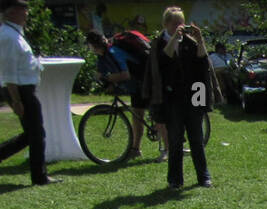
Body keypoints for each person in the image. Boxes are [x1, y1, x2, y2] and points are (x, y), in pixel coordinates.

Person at [146, 7, 217, 191]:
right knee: (175, 139)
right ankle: (175, 180)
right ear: (166, 24)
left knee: (197, 138)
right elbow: (163, 60)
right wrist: (173, 40)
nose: (179, 26)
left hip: (195, 92)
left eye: (181, 22)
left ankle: (204, 177)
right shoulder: (159, 43)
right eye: (175, 23)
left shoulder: (190, 42)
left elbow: (203, 62)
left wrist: (200, 40)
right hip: (171, 97)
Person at [0, 0, 56, 184]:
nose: (27, 14)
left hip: (25, 88)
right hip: (20, 90)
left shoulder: (15, 33)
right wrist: (16, 101)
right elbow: (9, 72)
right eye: (23, 10)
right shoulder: (8, 36)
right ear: (12, 12)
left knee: (31, 134)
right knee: (37, 134)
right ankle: (39, 176)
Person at [85, 29, 146, 159]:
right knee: (137, 116)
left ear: (93, 45)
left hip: (144, 80)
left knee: (154, 116)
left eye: (90, 46)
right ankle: (135, 149)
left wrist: (106, 79)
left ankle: (168, 148)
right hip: (136, 85)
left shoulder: (113, 52)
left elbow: (125, 74)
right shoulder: (103, 56)